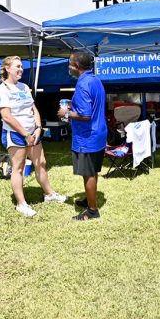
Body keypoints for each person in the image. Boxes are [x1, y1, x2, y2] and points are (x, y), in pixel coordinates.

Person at [0, 56, 66, 218]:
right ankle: (21, 204)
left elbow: (33, 109)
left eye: (22, 66)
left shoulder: (24, 87)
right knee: (18, 168)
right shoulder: (2, 90)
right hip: (16, 134)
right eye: (17, 66)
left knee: (41, 163)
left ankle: (49, 194)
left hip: (33, 133)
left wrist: (39, 128)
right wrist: (25, 134)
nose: (21, 69)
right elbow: (6, 117)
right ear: (7, 69)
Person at [57, 51, 107, 220]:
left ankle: (92, 211)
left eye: (70, 63)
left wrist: (65, 113)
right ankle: (89, 199)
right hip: (98, 133)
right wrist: (74, 104)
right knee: (92, 170)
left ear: (76, 66)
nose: (68, 67)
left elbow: (85, 115)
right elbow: (92, 104)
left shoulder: (82, 84)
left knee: (88, 173)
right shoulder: (95, 80)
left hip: (87, 137)